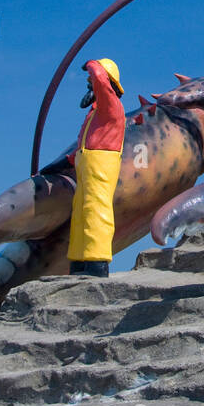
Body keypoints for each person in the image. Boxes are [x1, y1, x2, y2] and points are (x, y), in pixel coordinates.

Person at [68, 58, 126, 278]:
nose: (89, 84)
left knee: (96, 209)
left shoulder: (110, 104)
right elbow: (86, 140)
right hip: (87, 161)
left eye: (91, 81)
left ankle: (96, 261)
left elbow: (101, 78)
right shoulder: (95, 112)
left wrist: (91, 64)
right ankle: (79, 259)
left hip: (102, 161)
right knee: (81, 212)